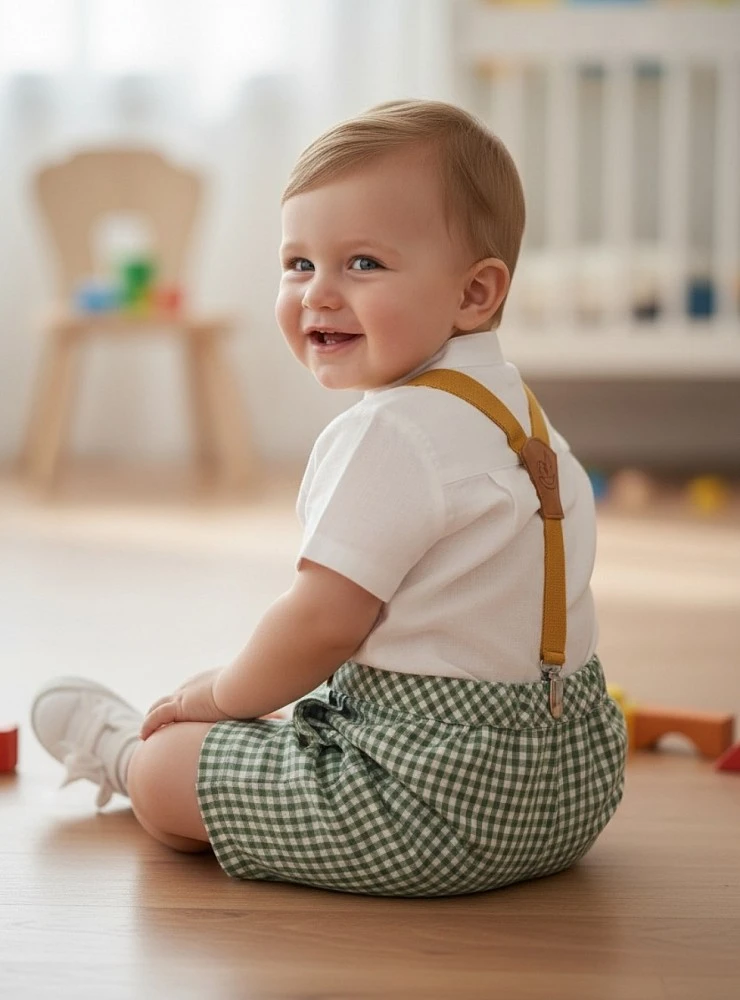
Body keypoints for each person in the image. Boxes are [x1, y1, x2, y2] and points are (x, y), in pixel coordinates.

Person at [31, 100, 627, 897]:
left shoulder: (394, 432)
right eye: (299, 264)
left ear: (475, 293)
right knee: (288, 713)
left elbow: (319, 624)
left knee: (177, 761)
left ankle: (122, 756)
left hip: (432, 808)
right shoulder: (515, 409)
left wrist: (216, 695)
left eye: (364, 265)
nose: (318, 294)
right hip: (569, 788)